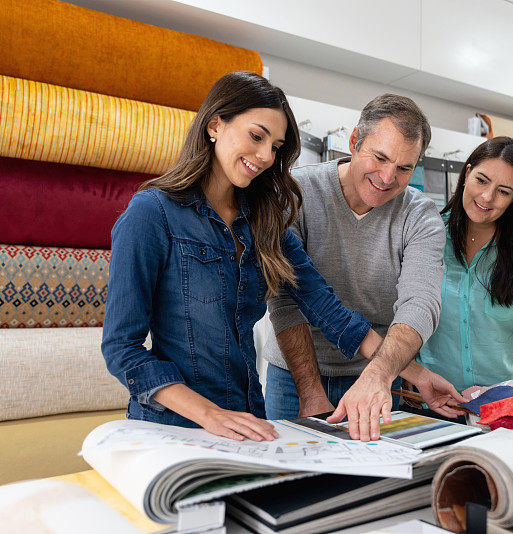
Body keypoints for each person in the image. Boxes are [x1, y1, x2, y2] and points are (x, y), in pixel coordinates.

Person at [102, 71, 374, 442]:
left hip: (248, 421)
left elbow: (328, 310)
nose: (265, 156)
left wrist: (412, 372)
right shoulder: (151, 214)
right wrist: (211, 415)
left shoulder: (265, 222)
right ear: (215, 125)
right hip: (172, 429)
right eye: (256, 136)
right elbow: (123, 350)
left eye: (275, 146)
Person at [262, 94, 466, 441]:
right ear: (355, 141)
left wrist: (381, 374)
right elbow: (285, 300)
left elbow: (420, 304)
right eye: (380, 157)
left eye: (404, 168)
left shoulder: (420, 215)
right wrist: (310, 391)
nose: (388, 177)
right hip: (294, 375)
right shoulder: (296, 193)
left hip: (379, 377)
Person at [418, 137, 513, 395]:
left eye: (503, 191)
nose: (486, 197)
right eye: (481, 180)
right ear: (467, 173)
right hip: (430, 400)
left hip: (498, 399)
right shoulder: (427, 236)